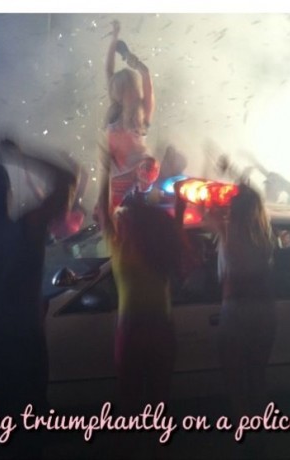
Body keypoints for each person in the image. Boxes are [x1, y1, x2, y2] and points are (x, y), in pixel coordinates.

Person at [0, 136, 77, 457]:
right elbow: (66, 180)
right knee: (26, 437)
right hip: (23, 347)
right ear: (8, 195)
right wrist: (18, 156)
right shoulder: (27, 228)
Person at [97, 148, 184, 417]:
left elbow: (103, 211)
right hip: (161, 328)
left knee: (129, 402)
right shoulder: (163, 246)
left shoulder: (119, 246)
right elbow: (177, 228)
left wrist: (105, 170)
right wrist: (180, 199)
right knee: (160, 400)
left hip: (131, 330)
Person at [204, 181, 277, 422]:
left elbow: (207, 213)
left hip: (236, 312)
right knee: (257, 376)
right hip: (265, 311)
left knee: (235, 381)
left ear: (234, 210)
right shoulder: (265, 237)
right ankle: (263, 429)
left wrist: (210, 193)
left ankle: (246, 430)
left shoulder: (228, 233)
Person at [104, 20, 156, 207]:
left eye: (122, 87)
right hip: (118, 178)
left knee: (148, 167)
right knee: (114, 215)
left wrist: (132, 59)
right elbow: (108, 70)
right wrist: (114, 38)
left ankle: (142, 199)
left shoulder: (143, 112)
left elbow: (146, 74)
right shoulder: (114, 112)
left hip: (140, 174)